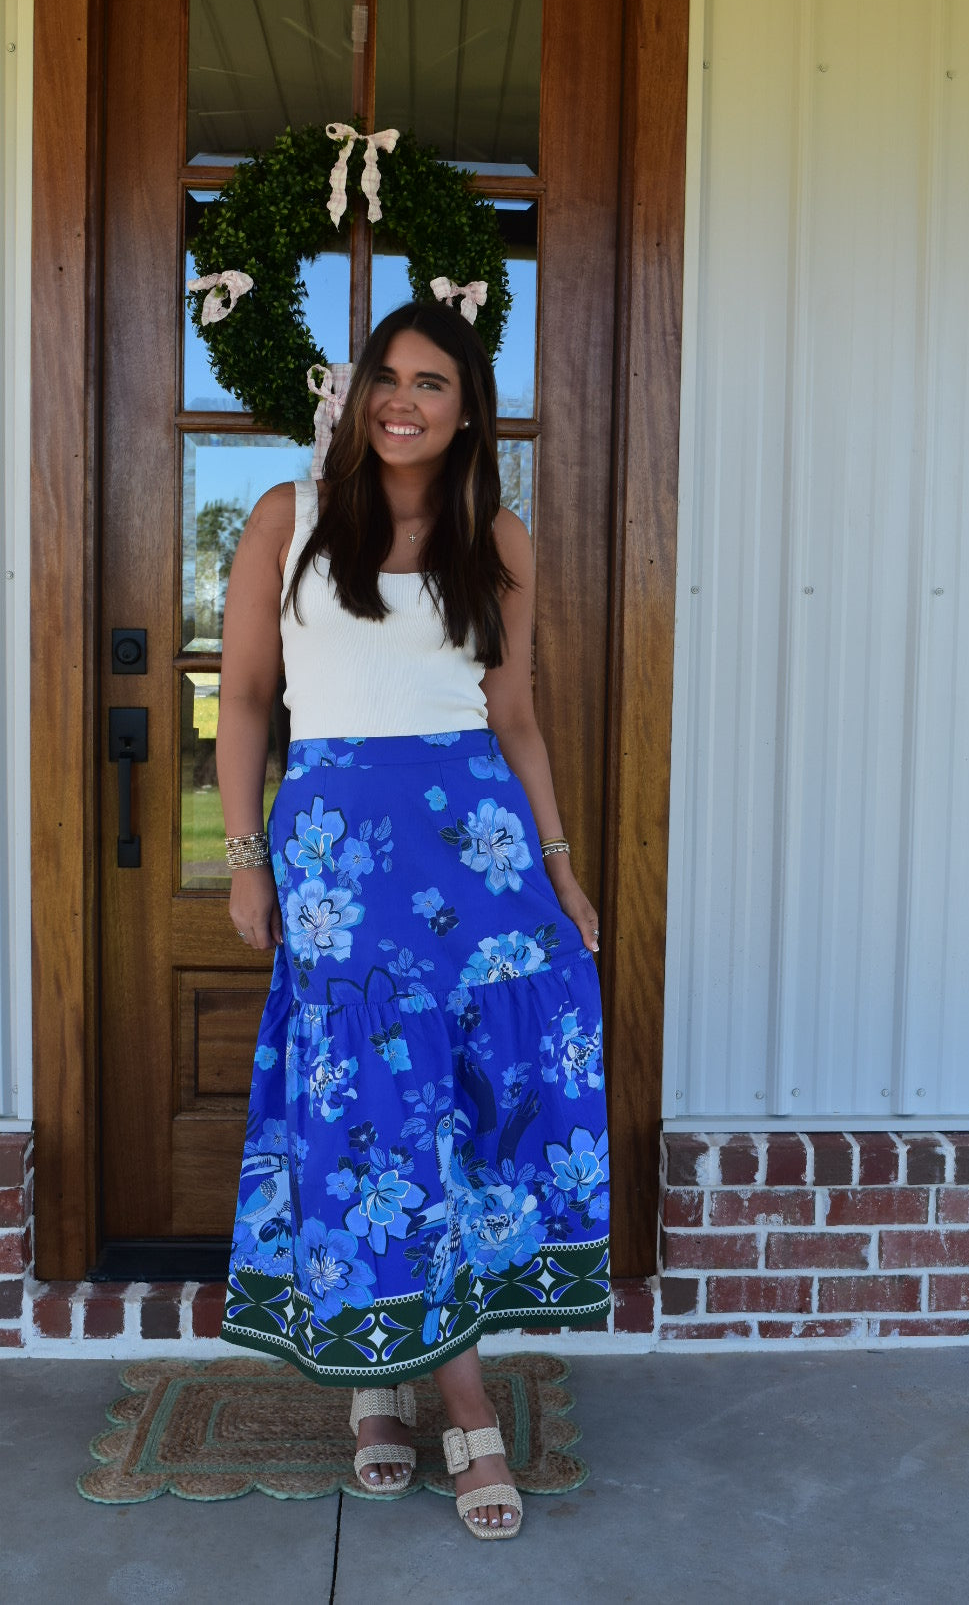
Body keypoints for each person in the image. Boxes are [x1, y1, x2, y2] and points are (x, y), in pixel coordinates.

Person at [215, 301, 610, 1541]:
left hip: (476, 856)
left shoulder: (496, 535)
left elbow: (517, 715)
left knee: (473, 1115)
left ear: (465, 406)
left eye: (431, 382)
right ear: (362, 390)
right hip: (338, 854)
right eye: (387, 376)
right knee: (376, 1117)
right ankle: (451, 1395)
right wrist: (242, 858)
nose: (403, 400)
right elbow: (239, 702)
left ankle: (400, 1370)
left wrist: (559, 867)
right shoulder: (286, 517)